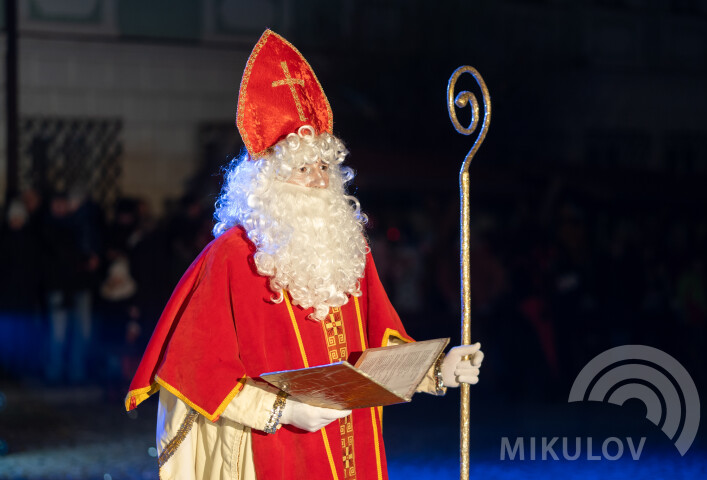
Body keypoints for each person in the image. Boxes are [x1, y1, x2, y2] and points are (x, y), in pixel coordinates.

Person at [126, 30, 484, 480]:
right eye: (301, 168)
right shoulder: (233, 258)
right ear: (266, 183)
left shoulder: (348, 247)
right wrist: (281, 411)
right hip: (277, 450)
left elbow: (382, 343)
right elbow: (194, 371)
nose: (317, 179)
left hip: (354, 442)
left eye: (323, 166)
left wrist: (438, 370)